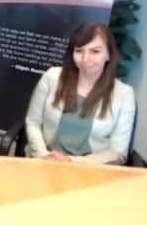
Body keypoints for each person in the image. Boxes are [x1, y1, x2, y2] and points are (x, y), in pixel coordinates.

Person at [25, 22, 135, 164]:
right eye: (79, 51)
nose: (85, 59)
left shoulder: (124, 94)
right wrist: (43, 156)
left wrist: (70, 161)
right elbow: (33, 122)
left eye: (95, 51)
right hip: (44, 160)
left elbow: (117, 151)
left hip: (90, 169)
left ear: (109, 54)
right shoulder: (52, 77)